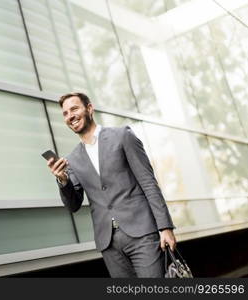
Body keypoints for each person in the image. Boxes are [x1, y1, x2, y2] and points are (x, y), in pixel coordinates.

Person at [46, 92, 176, 278]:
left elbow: (148, 183)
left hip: (143, 234)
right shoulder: (72, 160)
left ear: (89, 109)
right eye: (65, 113)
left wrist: (165, 227)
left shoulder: (122, 136)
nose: (70, 116)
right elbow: (73, 205)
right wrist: (63, 180)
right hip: (109, 244)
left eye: (74, 109)